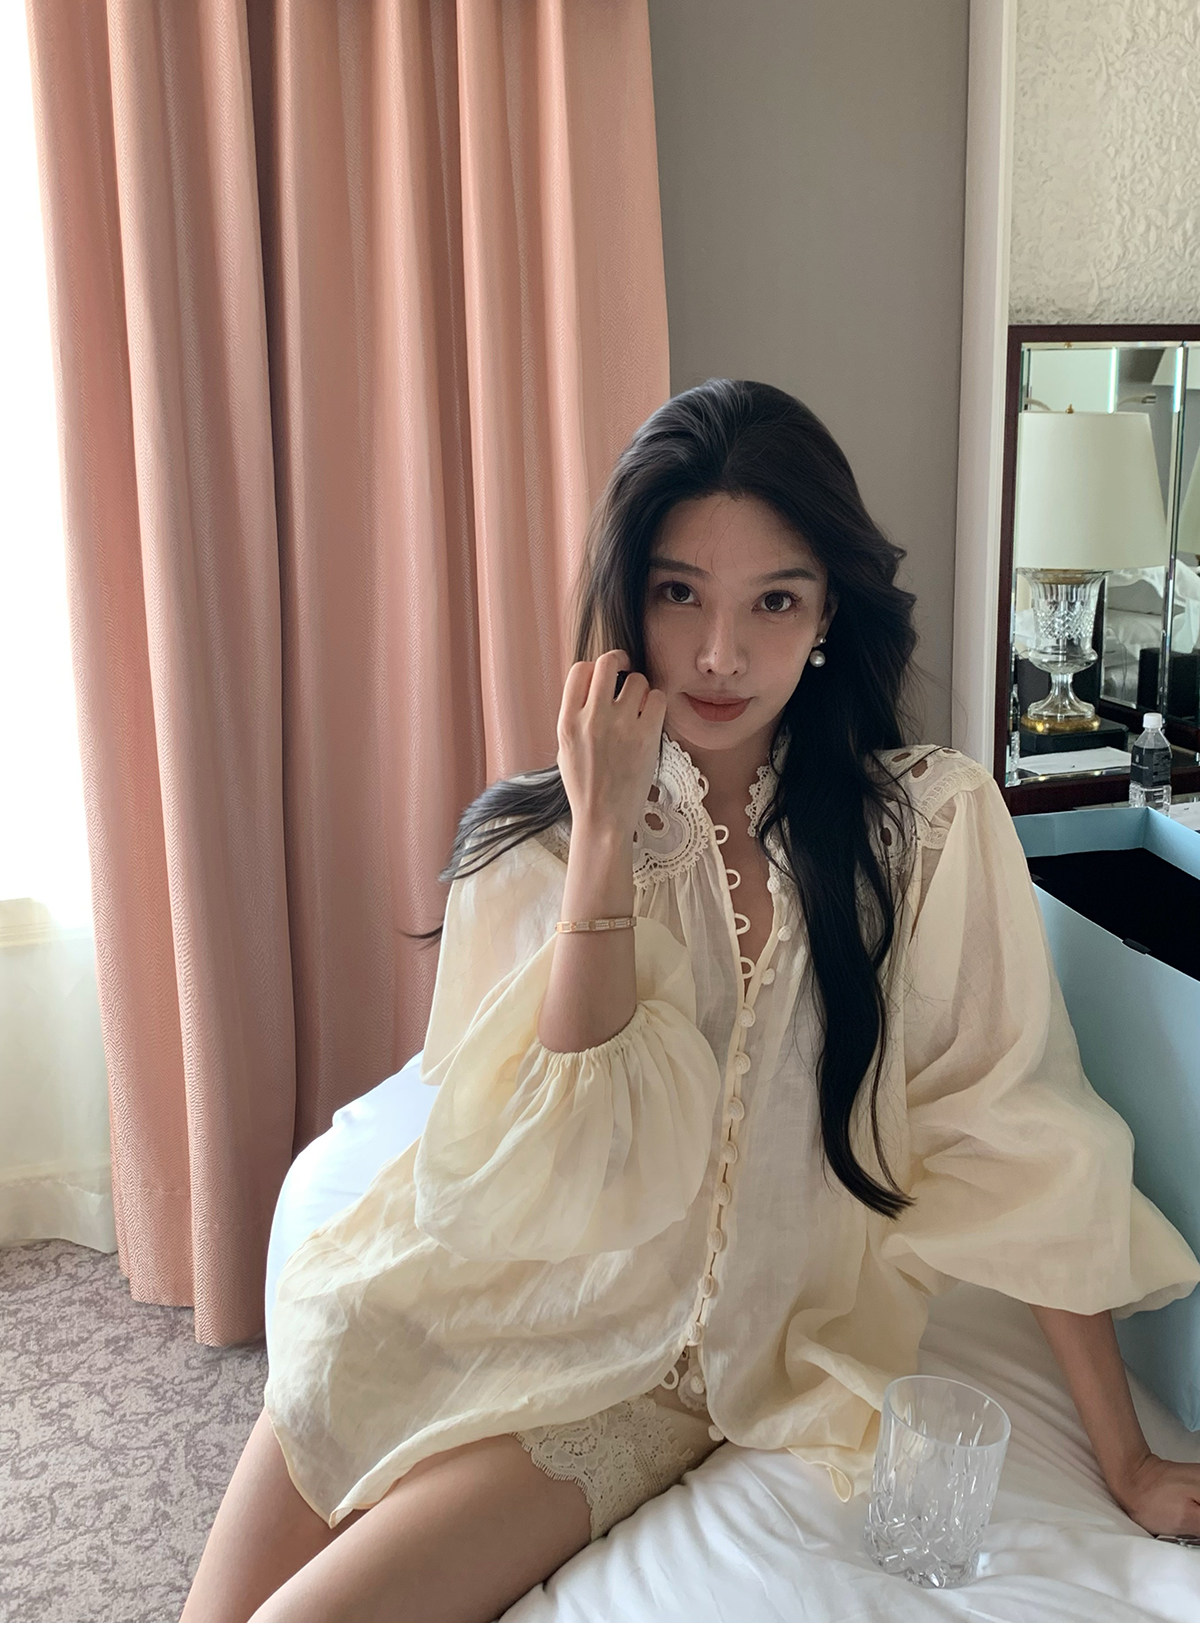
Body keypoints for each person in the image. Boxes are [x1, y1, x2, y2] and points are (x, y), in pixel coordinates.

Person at [181, 379, 1200, 1623]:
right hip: (446, 1293)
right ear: (633, 603)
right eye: (681, 594)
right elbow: (557, 1155)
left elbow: (1015, 1131)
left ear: (827, 614)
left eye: (774, 600)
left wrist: (1127, 1458)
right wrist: (605, 831)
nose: (721, 652)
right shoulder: (534, 844)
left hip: (641, 1371)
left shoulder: (927, 831)